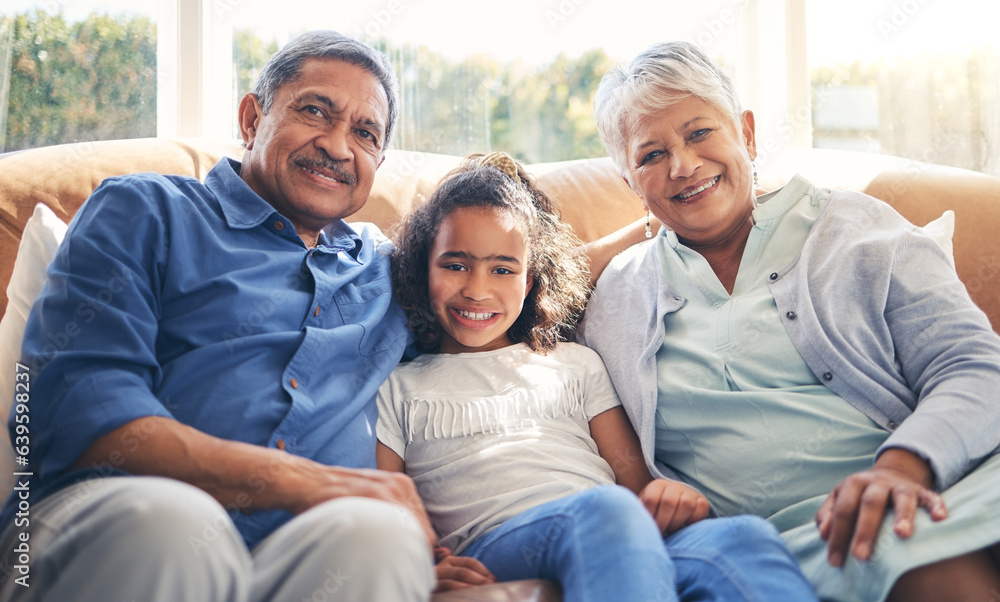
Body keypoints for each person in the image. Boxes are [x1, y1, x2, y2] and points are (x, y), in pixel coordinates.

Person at [0, 31, 437, 601]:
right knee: (171, 525)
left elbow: (528, 276)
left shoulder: (392, 271)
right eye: (314, 111)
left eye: (365, 132)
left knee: (380, 536)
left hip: (303, 547)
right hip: (119, 510)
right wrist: (311, 483)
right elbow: (74, 405)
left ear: (379, 159)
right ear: (252, 118)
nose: (337, 145)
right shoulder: (146, 210)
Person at [579, 41, 1000, 602]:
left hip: (924, 485)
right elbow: (493, 290)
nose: (683, 165)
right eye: (650, 156)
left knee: (906, 542)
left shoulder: (856, 228)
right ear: (628, 180)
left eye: (700, 133)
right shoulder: (617, 292)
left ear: (746, 134)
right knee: (899, 555)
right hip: (755, 550)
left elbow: (975, 367)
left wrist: (903, 467)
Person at [376, 151, 820, 600]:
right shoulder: (397, 387)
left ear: (529, 282)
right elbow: (384, 501)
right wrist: (422, 561)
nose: (477, 289)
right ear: (422, 268)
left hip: (614, 532)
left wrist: (670, 499)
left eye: (502, 270)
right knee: (608, 511)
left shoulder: (575, 362)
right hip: (497, 543)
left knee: (742, 537)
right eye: (455, 265)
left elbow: (636, 485)